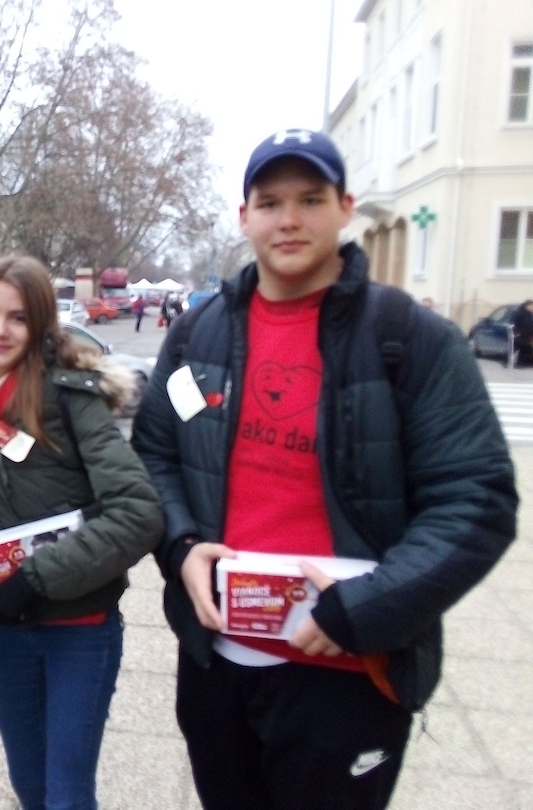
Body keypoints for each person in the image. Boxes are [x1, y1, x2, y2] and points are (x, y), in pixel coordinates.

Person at [131, 128, 518, 810]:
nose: (289, 219)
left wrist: (366, 609)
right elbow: (155, 454)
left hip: (347, 674)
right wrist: (181, 545)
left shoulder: (410, 339)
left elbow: (477, 500)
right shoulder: (197, 335)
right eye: (270, 202)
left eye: (310, 199)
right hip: (218, 664)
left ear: (346, 207)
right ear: (244, 216)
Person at [0, 255, 163, 810]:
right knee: (30, 787)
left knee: (66, 796)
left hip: (80, 630)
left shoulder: (71, 396)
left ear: (40, 325)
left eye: (18, 318)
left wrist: (35, 578)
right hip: (9, 632)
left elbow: (138, 513)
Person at [513, 299, 533, 366]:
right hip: (521, 334)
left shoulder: (530, 314)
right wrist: (517, 333)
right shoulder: (520, 313)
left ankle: (527, 362)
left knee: (527, 349)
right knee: (522, 348)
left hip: (528, 334)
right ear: (526, 306)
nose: (532, 308)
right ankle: (518, 363)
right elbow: (516, 324)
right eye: (531, 306)